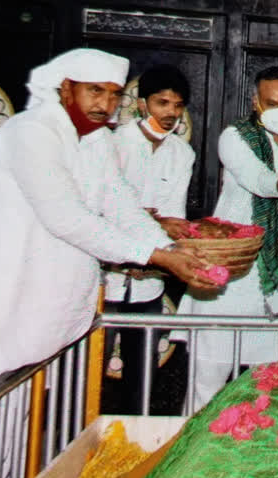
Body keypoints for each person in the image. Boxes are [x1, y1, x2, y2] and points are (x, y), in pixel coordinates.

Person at [0, 48, 221, 415]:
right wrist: (158, 256)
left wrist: (171, 249)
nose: (106, 103)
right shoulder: (31, 131)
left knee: (24, 441)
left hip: (45, 319)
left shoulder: (97, 141)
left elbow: (122, 206)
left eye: (114, 94)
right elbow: (66, 218)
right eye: (95, 91)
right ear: (66, 88)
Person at [174, 66, 278, 410]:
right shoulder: (234, 136)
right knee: (211, 365)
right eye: (271, 102)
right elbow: (257, 178)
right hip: (237, 261)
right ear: (255, 102)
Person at [104, 65, 195, 413]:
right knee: (90, 373)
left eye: (177, 105)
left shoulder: (182, 154)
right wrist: (156, 224)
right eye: (162, 103)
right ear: (142, 104)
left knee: (142, 380)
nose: (170, 113)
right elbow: (105, 210)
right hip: (107, 281)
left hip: (150, 283)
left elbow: (176, 216)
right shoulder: (113, 144)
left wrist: (161, 239)